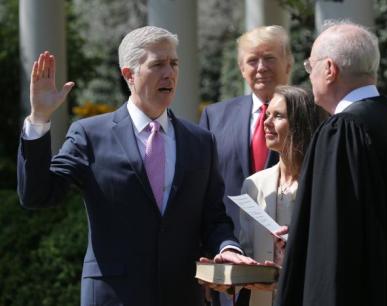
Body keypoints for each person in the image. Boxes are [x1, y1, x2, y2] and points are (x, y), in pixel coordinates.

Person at [17, 26, 256, 306]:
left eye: (174, 63)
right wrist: (39, 119)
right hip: (113, 296)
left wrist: (227, 247)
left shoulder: (200, 142)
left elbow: (214, 218)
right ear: (129, 74)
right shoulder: (90, 135)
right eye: (157, 64)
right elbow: (37, 195)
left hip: (181, 295)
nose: (169, 73)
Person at [274, 20, 387, 306]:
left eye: (310, 66)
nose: (309, 75)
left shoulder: (342, 132)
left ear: (329, 69)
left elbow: (335, 244)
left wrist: (311, 238)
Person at [199, 25, 293, 306]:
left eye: (270, 58)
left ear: (288, 63)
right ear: (242, 68)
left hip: (288, 266)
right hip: (230, 266)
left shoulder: (311, 115)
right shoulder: (214, 117)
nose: (261, 67)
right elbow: (203, 196)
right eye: (253, 60)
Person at [239, 85, 327, 306]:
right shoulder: (254, 185)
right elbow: (248, 253)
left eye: (277, 116)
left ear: (300, 124)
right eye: (267, 114)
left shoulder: (324, 185)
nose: (266, 123)